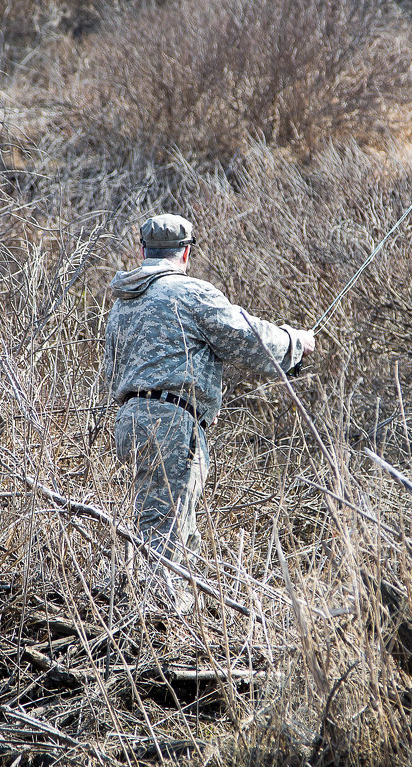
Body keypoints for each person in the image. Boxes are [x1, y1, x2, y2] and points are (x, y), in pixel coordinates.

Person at [104, 213, 315, 608]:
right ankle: (158, 620)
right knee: (167, 527)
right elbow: (250, 341)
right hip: (172, 420)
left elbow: (110, 371)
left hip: (128, 421)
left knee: (161, 518)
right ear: (186, 253)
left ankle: (173, 606)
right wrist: (296, 343)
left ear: (144, 251)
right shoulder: (192, 293)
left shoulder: (121, 303)